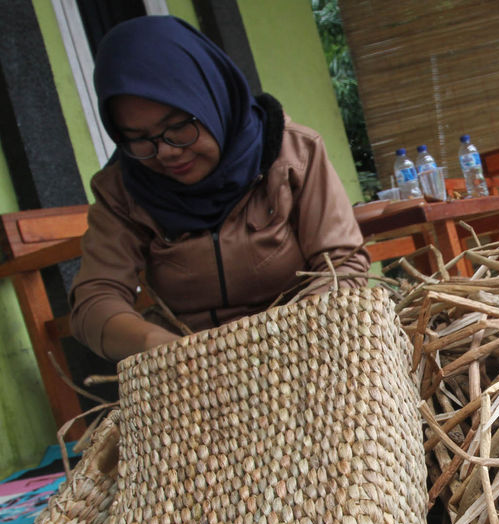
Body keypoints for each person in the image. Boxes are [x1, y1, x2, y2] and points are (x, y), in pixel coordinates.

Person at [69, 15, 370, 361]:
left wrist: (285, 339)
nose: (165, 151)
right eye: (138, 139)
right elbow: (93, 300)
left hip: (306, 348)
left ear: (210, 101)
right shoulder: (123, 190)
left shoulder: (292, 154)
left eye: (178, 127)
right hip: (194, 373)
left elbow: (342, 263)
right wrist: (158, 346)